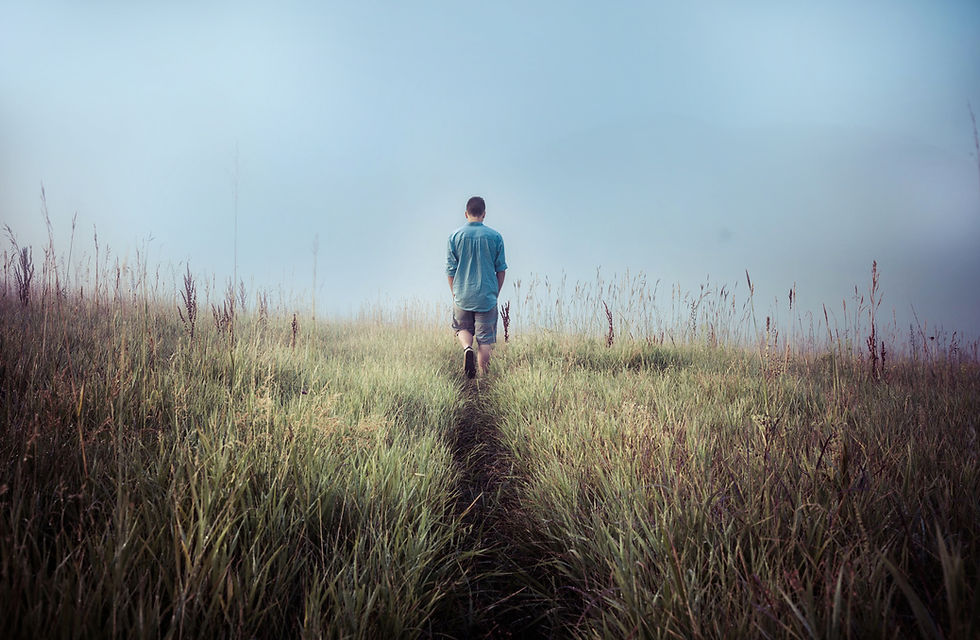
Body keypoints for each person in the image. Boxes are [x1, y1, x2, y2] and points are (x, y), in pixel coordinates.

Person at [446, 196, 507, 378]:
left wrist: (454, 293)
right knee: (485, 341)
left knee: (462, 328)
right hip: (487, 296)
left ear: (466, 214)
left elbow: (450, 270)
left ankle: (466, 348)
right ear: (484, 214)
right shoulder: (495, 237)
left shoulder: (455, 236)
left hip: (462, 294)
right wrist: (495, 292)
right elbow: (501, 270)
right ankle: (482, 380)